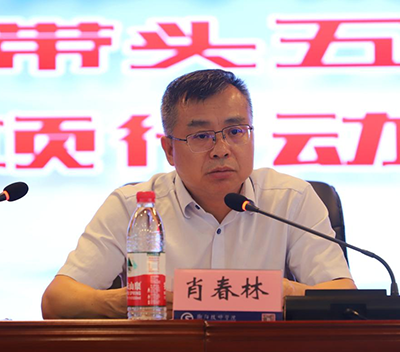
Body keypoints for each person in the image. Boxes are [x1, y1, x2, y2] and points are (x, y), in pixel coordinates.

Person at [41, 69, 356, 319]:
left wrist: (284, 293)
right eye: (201, 136)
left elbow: (345, 296)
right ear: (169, 149)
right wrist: (123, 302)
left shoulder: (291, 199)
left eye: (236, 131)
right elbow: (57, 301)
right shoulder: (132, 207)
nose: (221, 150)